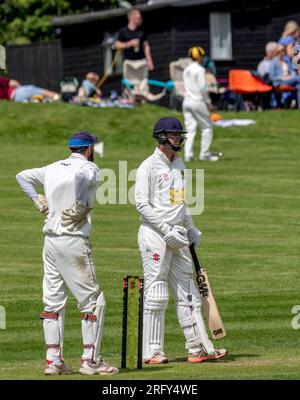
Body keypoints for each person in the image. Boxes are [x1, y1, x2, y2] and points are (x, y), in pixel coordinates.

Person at [16, 131, 119, 376]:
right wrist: (81, 206)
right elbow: (81, 178)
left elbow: (22, 176)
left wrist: (36, 199)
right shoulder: (89, 167)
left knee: (53, 302)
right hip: (73, 240)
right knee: (93, 303)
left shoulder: (52, 167)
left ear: (70, 148)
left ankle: (54, 361)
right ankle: (91, 361)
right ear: (89, 149)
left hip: (50, 241)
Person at [135, 116, 227, 365]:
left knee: (188, 292)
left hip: (179, 234)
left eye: (179, 135)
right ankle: (152, 352)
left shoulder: (180, 164)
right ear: (162, 137)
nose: (179, 138)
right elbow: (141, 204)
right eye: (175, 135)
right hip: (155, 235)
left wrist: (191, 228)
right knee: (156, 293)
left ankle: (198, 348)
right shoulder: (148, 167)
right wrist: (165, 230)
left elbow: (181, 201)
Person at [182, 47, 219, 162]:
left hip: (186, 101)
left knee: (190, 129)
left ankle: (188, 155)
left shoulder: (186, 70)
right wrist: (209, 102)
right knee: (207, 127)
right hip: (197, 101)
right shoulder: (200, 70)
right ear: (199, 57)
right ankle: (205, 154)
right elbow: (203, 88)